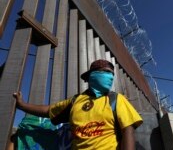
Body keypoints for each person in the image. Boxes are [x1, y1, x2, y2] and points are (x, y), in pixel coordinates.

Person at [13, 59, 143, 150]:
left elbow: (128, 132)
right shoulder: (76, 101)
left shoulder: (116, 99)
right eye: (105, 72)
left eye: (111, 74)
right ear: (91, 76)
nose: (109, 76)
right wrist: (22, 105)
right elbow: (49, 110)